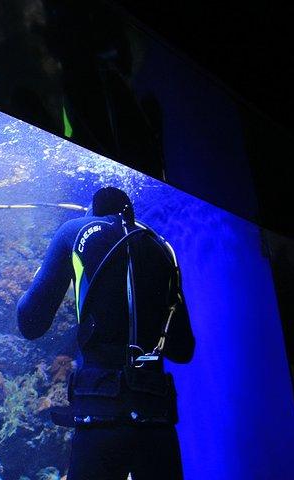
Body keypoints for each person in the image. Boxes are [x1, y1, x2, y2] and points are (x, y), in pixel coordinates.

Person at [17, 186, 194, 480]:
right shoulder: (160, 246)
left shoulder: (74, 232)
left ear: (93, 210)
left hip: (98, 415)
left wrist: (43, 277)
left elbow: (31, 324)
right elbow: (183, 349)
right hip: (156, 417)